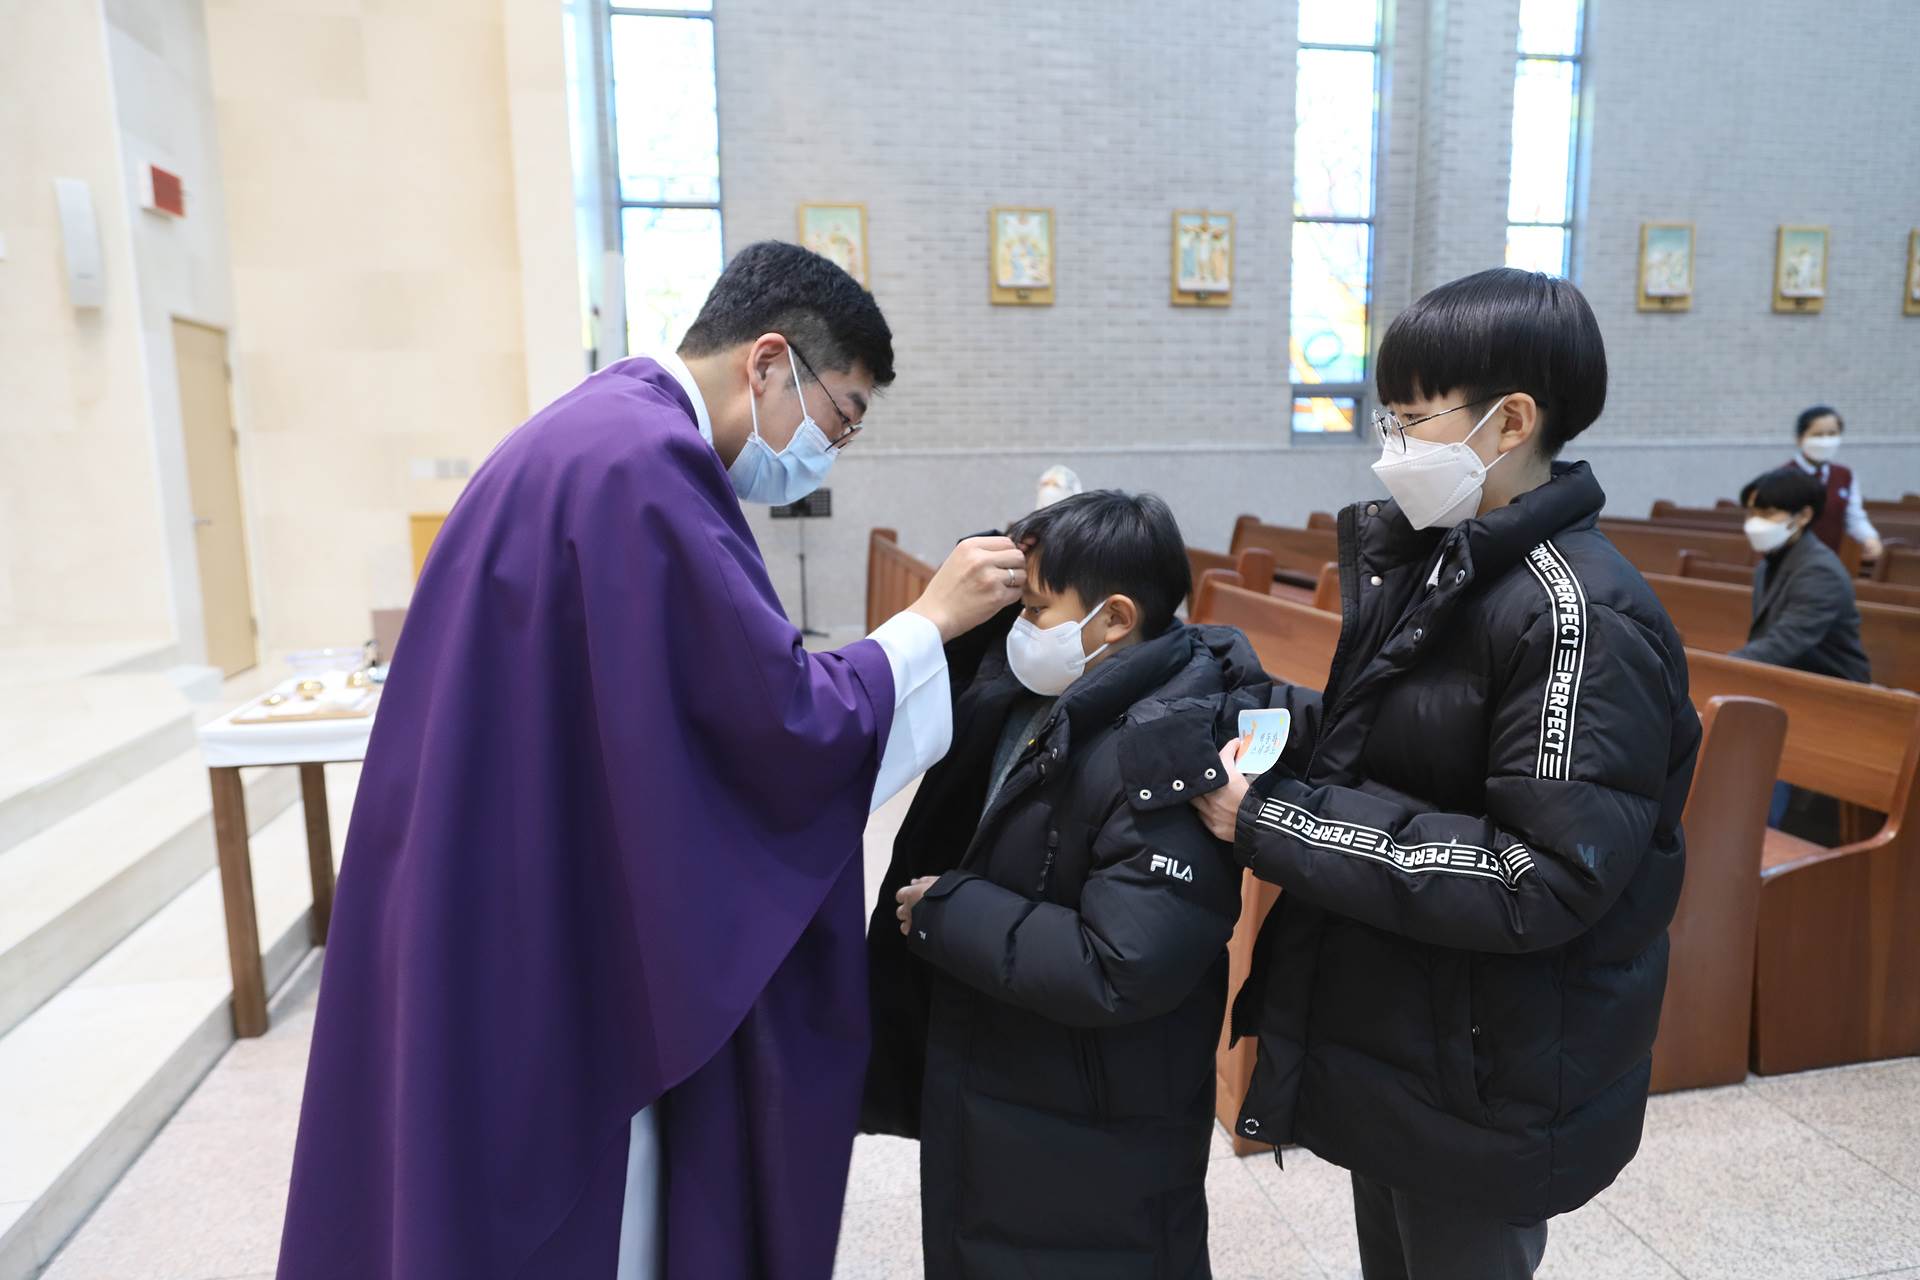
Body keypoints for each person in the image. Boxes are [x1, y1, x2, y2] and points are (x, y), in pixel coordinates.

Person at [276, 242, 1029, 1280]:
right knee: (575, 1200)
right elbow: (772, 725)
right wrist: (928, 622)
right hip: (548, 925)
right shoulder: (646, 468)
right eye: (841, 416)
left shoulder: (592, 429)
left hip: (491, 874)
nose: (830, 450)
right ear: (768, 362)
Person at [1177, 268, 1701, 1279]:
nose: (1392, 446)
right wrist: (1241, 702)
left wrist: (1273, 823)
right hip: (1407, 1025)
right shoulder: (1444, 563)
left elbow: (1543, 873)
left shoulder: (1577, 615)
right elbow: (1387, 742)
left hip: (1489, 1061)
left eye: (1414, 419)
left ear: (1513, 422)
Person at [863, 490, 1271, 1279]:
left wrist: (951, 910)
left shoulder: (1171, 747)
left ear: (1114, 620)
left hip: (1093, 1122)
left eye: (1034, 609)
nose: (1018, 628)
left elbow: (1124, 961)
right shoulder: (1046, 695)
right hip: (1009, 1080)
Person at [1734, 467, 1871, 683]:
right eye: (1752, 513)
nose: (1754, 522)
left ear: (1804, 516)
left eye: (1767, 513)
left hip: (1833, 688)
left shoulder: (1821, 572)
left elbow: (1784, 642)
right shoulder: (1768, 563)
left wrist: (1720, 666)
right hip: (1789, 676)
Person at [1788, 405, 1883, 560]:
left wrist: (1869, 537)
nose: (1825, 441)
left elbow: (1853, 516)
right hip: (1792, 559)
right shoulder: (1784, 476)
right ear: (1800, 439)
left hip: (1831, 558)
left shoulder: (1845, 475)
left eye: (1832, 434)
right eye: (1818, 435)